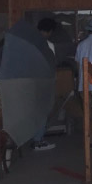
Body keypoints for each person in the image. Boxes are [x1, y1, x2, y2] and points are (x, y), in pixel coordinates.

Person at [31, 18, 59, 151]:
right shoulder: (49, 45)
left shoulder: (29, 44)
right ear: (50, 31)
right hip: (44, 83)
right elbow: (51, 67)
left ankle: (34, 138)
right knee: (43, 112)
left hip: (28, 83)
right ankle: (38, 141)